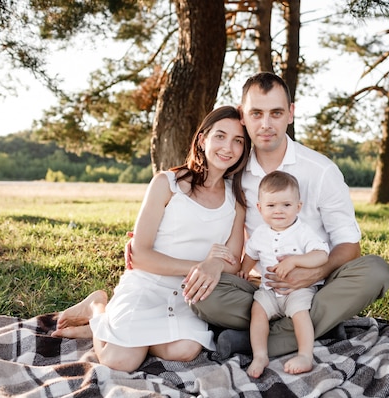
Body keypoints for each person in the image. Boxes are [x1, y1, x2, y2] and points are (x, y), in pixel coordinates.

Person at [190, 72, 389, 360]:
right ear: (243, 116)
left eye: (276, 113)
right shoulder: (234, 170)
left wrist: (315, 272)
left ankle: (252, 342)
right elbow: (190, 196)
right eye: (256, 113)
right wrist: (146, 239)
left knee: (375, 271)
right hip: (260, 290)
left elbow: (350, 245)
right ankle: (318, 326)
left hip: (319, 286)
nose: (266, 124)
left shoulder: (321, 171)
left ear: (291, 114)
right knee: (203, 294)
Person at [52, 106, 251, 372]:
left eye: (238, 141)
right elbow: (140, 255)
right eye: (220, 136)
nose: (228, 147)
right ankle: (97, 307)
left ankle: (115, 332)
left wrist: (214, 266)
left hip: (188, 294)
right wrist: (199, 266)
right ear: (202, 139)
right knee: (120, 361)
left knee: (185, 350)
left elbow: (232, 262)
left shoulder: (235, 201)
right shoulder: (167, 184)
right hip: (147, 284)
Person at [238, 171, 329, 378]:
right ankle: (260, 355)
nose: (278, 211)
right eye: (271, 206)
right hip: (269, 291)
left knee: (300, 314)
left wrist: (295, 261)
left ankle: (305, 355)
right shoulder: (260, 234)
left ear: (298, 207)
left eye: (286, 205)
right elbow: (250, 254)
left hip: (297, 290)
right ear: (260, 208)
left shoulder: (302, 232)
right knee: (257, 312)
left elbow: (321, 255)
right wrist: (243, 270)